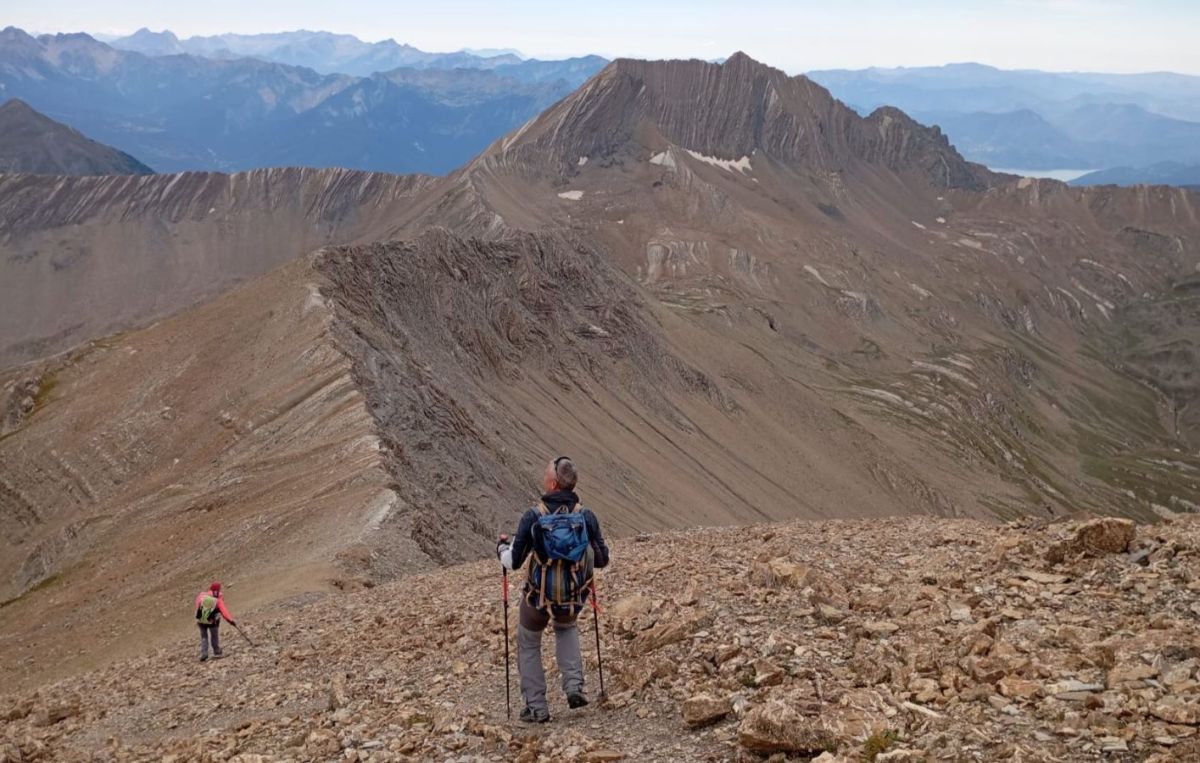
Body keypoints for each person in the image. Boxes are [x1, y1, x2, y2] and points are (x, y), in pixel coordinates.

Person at [497, 456, 610, 723]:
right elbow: (603, 559)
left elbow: (513, 562)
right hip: (572, 596)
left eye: (546, 474)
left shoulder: (534, 516)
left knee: (528, 641)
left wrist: (501, 548)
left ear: (553, 483)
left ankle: (536, 707)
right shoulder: (586, 516)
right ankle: (574, 687)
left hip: (538, 597)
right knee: (566, 627)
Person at [194, 581, 236, 662]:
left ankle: (204, 653)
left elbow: (197, 606)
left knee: (204, 637)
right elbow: (224, 611)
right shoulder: (218, 599)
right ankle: (216, 651)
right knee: (214, 636)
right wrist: (230, 620)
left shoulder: (201, 596)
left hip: (201, 620)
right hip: (213, 621)